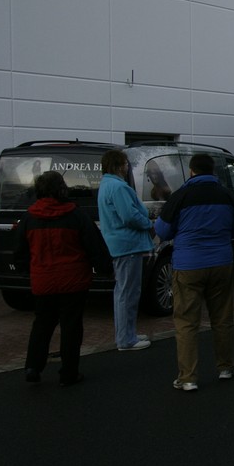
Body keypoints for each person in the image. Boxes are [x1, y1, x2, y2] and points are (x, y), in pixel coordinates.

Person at [154, 154, 234, 392]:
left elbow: (162, 230)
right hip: (221, 263)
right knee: (222, 318)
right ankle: (226, 367)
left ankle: (188, 378)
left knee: (186, 322)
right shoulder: (226, 195)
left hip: (188, 265)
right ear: (213, 171)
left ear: (191, 171)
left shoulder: (181, 195)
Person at [17, 171, 108, 386]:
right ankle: (69, 373)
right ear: (62, 189)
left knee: (42, 324)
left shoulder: (29, 218)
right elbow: (94, 245)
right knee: (71, 327)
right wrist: (104, 268)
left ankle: (33, 366)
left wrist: (26, 271)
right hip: (73, 279)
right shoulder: (76, 215)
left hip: (43, 280)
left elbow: (20, 251)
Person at [97, 149, 154, 352]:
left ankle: (128, 333)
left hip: (119, 245)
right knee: (128, 293)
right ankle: (126, 338)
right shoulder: (119, 187)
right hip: (128, 245)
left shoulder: (106, 185)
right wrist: (148, 224)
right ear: (119, 165)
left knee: (124, 292)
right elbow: (129, 215)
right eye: (125, 163)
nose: (127, 166)